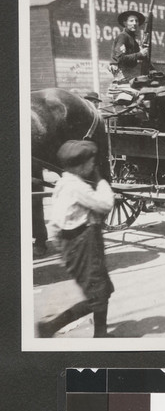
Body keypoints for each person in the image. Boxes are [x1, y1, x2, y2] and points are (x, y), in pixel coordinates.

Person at [37, 140, 115, 338]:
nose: (93, 166)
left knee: (102, 290)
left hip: (77, 241)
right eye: (91, 163)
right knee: (98, 294)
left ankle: (100, 333)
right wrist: (101, 180)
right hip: (83, 242)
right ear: (80, 166)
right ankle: (51, 326)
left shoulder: (64, 182)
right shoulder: (77, 187)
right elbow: (105, 204)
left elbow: (55, 223)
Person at [109, 10, 149, 80]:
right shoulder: (123, 36)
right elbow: (120, 58)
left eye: (136, 21)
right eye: (131, 21)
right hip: (123, 73)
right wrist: (140, 54)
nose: (134, 23)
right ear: (125, 23)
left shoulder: (132, 39)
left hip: (131, 72)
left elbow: (136, 57)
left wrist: (143, 53)